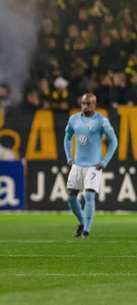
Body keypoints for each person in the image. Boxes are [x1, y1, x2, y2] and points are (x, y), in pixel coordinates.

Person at [64, 93, 118, 239]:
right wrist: (69, 156)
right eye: (83, 103)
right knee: (70, 198)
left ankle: (87, 230)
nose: (85, 106)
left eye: (88, 104)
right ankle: (81, 222)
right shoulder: (74, 119)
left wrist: (104, 161)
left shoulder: (101, 121)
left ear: (94, 105)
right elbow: (67, 137)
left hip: (94, 165)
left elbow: (114, 141)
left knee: (89, 195)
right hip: (78, 164)